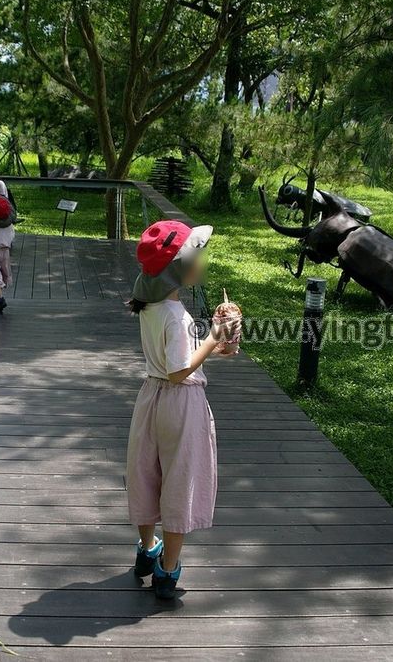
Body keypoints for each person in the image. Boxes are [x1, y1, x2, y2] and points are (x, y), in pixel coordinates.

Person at [125, 220, 240, 600]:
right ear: (180, 268)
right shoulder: (176, 316)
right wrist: (213, 336)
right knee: (178, 481)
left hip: (151, 398)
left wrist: (222, 340)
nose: (203, 262)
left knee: (146, 471)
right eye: (198, 256)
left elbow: (181, 361)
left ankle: (147, 549)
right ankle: (167, 570)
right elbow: (179, 372)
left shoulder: (152, 306)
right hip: (181, 403)